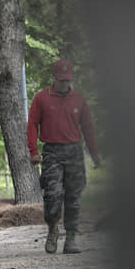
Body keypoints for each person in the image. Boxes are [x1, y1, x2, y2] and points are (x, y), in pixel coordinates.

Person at [27, 59, 100, 254]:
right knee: (53, 193)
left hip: (74, 151)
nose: (64, 84)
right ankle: (52, 229)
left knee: (74, 196)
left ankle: (71, 238)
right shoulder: (41, 98)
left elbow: (88, 128)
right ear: (55, 78)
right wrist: (33, 152)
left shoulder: (79, 99)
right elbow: (32, 124)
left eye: (68, 81)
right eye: (61, 80)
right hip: (52, 152)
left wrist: (94, 154)